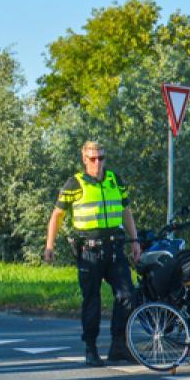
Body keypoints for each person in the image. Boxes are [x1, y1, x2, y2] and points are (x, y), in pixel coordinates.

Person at [43, 141, 141, 367]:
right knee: (92, 300)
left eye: (101, 158)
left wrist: (134, 240)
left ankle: (119, 345)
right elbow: (57, 215)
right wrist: (50, 246)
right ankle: (91, 347)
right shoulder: (74, 184)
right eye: (93, 159)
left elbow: (126, 210)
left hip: (114, 248)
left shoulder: (114, 180)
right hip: (89, 251)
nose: (97, 163)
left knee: (127, 295)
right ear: (84, 160)